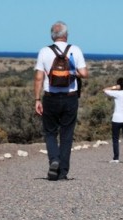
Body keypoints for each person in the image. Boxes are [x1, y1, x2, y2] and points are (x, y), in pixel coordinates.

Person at [34, 21, 88, 181]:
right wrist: (72, 72)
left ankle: (54, 160)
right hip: (70, 98)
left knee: (50, 132)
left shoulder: (44, 51)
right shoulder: (75, 50)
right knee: (67, 134)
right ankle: (63, 172)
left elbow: (38, 77)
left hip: (50, 97)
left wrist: (37, 99)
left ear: (52, 36)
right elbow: (84, 73)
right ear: (66, 35)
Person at [103, 77, 123, 163]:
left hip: (117, 119)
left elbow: (105, 90)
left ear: (119, 85)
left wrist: (114, 87)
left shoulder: (117, 94)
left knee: (115, 139)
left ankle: (116, 158)